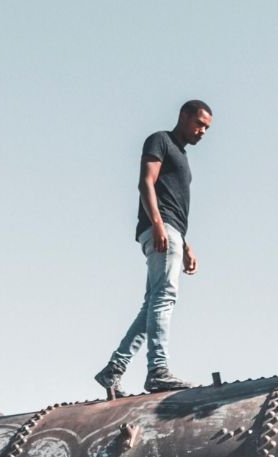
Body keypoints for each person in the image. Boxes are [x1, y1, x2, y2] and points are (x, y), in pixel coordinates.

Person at [94, 100, 213, 396]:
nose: (202, 132)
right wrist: (158, 224)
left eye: (207, 128)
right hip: (161, 229)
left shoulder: (182, 156)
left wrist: (185, 245)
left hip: (172, 232)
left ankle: (114, 369)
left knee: (152, 303)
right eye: (199, 124)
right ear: (183, 117)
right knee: (165, 297)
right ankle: (157, 370)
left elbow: (172, 203)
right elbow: (146, 183)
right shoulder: (160, 140)